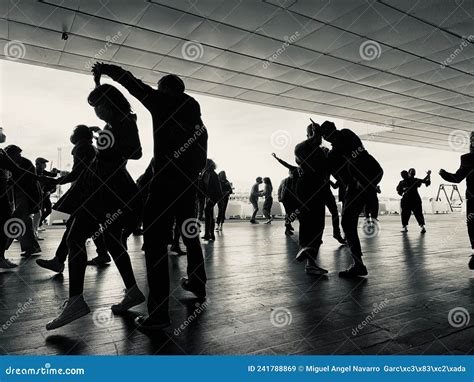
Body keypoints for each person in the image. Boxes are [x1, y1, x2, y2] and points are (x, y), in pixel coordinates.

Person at [93, 63, 208, 330]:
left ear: (165, 89)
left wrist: (105, 69)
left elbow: (133, 84)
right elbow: (200, 161)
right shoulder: (199, 124)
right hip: (187, 186)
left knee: (155, 244)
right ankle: (197, 282)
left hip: (165, 185)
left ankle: (158, 315)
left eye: (159, 88)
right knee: (189, 234)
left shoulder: (162, 102)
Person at [45, 85, 145, 330]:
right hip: (110, 191)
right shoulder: (116, 123)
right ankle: (132, 291)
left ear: (111, 104)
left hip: (106, 192)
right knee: (111, 241)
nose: (97, 111)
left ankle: (76, 301)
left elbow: (137, 152)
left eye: (99, 106)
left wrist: (108, 142)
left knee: (75, 236)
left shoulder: (123, 121)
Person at [36, 125, 111, 273]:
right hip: (94, 194)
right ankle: (103, 254)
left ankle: (59, 260)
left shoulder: (81, 147)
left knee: (73, 226)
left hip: (85, 194)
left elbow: (78, 171)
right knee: (90, 225)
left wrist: (57, 181)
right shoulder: (92, 148)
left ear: (78, 135)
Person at [319, 120, 383, 278]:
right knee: (348, 222)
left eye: (326, 134)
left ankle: (358, 265)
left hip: (361, 182)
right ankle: (358, 264)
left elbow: (328, 164)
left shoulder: (341, 141)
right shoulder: (344, 139)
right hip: (370, 175)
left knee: (347, 221)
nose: (327, 138)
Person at [294, 123, 328, 275]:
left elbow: (327, 170)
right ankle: (305, 249)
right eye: (317, 134)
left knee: (318, 224)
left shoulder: (321, 152)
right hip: (306, 186)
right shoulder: (302, 147)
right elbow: (299, 152)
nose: (320, 138)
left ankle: (310, 261)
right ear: (310, 134)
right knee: (307, 220)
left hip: (318, 188)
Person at [0, 130, 38, 268]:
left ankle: (4, 250)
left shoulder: (21, 161)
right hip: (14, 194)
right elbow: (15, 174)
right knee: (18, 220)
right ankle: (29, 247)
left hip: (21, 194)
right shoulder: (5, 156)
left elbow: (18, 176)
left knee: (13, 220)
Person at [440, 132, 474, 270]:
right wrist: (445, 175)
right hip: (472, 198)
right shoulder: (466, 159)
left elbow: (457, 178)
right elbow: (457, 178)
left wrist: (445, 175)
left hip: (472, 198)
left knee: (472, 225)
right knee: (472, 225)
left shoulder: (467, 158)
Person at [4, 145, 42, 257]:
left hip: (26, 196)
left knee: (14, 220)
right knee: (25, 221)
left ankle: (2, 247)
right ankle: (32, 247)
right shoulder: (22, 163)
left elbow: (21, 181)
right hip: (22, 196)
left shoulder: (25, 164)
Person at [397, 168, 431, 233]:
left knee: (417, 213)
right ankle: (406, 227)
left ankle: (421, 227)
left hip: (414, 200)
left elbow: (425, 181)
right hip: (408, 200)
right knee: (406, 214)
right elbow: (399, 191)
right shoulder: (403, 182)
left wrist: (429, 175)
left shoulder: (415, 180)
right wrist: (429, 175)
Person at [34, 157, 59, 238]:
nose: (45, 165)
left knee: (44, 211)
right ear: (39, 164)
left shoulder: (42, 171)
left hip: (43, 195)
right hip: (38, 195)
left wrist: (56, 172)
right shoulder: (36, 171)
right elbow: (45, 178)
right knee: (38, 213)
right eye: (43, 163)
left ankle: (36, 228)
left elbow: (52, 175)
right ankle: (35, 230)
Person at [201, 159, 222, 241]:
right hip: (208, 196)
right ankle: (209, 234)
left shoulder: (213, 174)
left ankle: (208, 234)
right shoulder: (205, 173)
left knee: (207, 211)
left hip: (214, 196)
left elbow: (218, 188)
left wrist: (220, 200)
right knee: (209, 213)